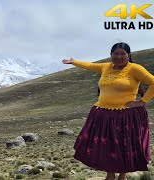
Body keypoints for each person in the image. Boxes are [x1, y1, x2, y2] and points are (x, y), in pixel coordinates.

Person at [62, 42, 154, 180]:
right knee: (106, 146)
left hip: (126, 115)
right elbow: (90, 66)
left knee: (125, 146)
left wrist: (142, 101)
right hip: (103, 114)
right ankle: (109, 175)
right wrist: (74, 62)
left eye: (122, 53)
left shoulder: (135, 69)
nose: (119, 56)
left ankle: (123, 176)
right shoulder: (106, 67)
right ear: (111, 55)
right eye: (115, 53)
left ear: (129, 55)